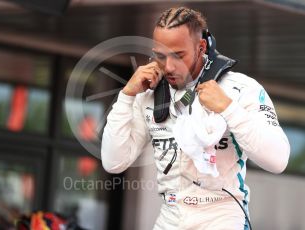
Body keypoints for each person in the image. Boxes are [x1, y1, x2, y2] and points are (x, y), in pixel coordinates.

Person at [101, 6, 290, 230]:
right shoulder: (148, 93)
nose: (169, 66)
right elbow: (114, 162)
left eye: (178, 55)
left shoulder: (240, 88)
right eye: (160, 56)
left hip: (223, 218)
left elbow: (278, 160)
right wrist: (126, 96)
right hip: (169, 219)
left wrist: (229, 109)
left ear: (201, 47)